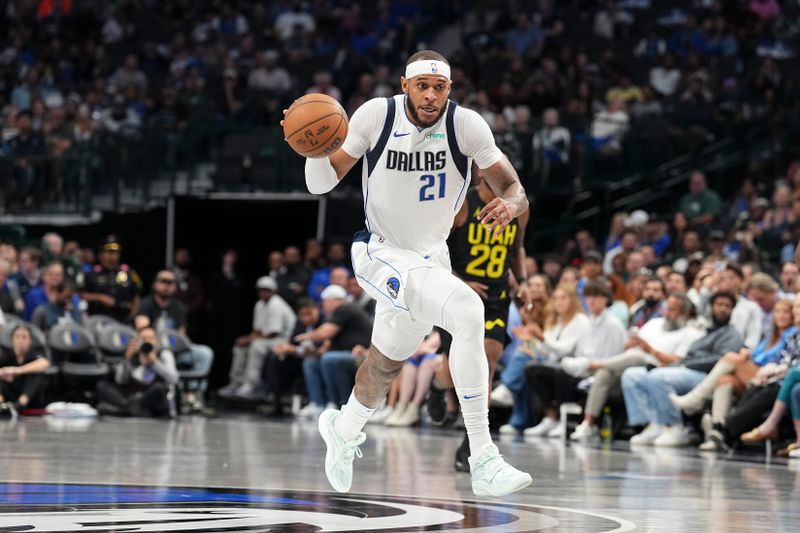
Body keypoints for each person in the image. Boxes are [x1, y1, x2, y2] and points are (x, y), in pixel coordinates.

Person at [285, 49, 531, 496]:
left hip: (431, 257)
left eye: (439, 87)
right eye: (423, 85)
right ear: (405, 86)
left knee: (384, 364)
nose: (431, 95)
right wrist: (312, 149)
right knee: (468, 309)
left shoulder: (467, 126)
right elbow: (320, 184)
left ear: (450, 90)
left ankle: (344, 427)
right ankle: (484, 459)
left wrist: (511, 205)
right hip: (381, 252)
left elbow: (514, 188)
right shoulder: (375, 116)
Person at [444, 162, 529, 470]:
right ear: (481, 173)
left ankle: (472, 439)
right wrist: (459, 280)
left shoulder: (518, 207)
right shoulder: (462, 204)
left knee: (488, 358)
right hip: (456, 292)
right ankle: (440, 392)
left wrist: (522, 282)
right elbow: (435, 248)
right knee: (447, 369)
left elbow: (517, 247)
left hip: (495, 294)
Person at [568, 292, 702, 441]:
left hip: (659, 366)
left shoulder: (691, 334)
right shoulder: (654, 323)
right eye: (666, 308)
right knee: (605, 374)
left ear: (685, 313)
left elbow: (678, 360)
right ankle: (589, 423)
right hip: (633, 365)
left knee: (635, 357)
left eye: (672, 310)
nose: (667, 313)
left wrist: (650, 350)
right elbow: (631, 345)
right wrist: (630, 343)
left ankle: (592, 365)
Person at [670, 298, 798, 450]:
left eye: (786, 312)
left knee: (731, 358)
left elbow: (775, 361)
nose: (781, 316)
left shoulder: (791, 334)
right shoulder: (770, 337)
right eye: (777, 312)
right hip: (760, 374)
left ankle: (695, 399)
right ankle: (716, 432)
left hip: (770, 376)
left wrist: (748, 358)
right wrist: (748, 354)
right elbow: (759, 355)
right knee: (725, 379)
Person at [622, 291, 744, 447]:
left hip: (705, 375)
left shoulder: (732, 334)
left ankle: (674, 427)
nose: (722, 309)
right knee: (633, 375)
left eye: (727, 306)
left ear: (732, 310)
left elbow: (719, 359)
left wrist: (685, 363)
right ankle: (654, 424)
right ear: (711, 307)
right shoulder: (707, 331)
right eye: (719, 305)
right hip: (685, 369)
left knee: (658, 377)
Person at [525, 280, 627, 437]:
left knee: (563, 372)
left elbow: (610, 359)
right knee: (533, 369)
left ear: (606, 299)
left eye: (596, 297)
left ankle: (563, 420)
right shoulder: (590, 322)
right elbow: (581, 352)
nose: (591, 301)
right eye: (588, 297)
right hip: (584, 366)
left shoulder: (612, 325)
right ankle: (550, 417)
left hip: (602, 371)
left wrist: (579, 364)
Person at [499, 284, 589, 434]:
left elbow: (564, 350)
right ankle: (549, 417)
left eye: (563, 298)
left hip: (573, 366)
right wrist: (532, 340)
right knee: (528, 365)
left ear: (573, 300)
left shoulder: (580, 321)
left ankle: (507, 389)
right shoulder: (556, 321)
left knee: (535, 365)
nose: (559, 302)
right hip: (554, 363)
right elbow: (548, 351)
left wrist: (541, 337)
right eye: (555, 299)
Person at [136, 269, 214, 411]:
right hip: (154, 350)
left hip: (174, 348)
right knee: (161, 352)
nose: (167, 286)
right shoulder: (146, 303)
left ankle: (191, 393)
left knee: (204, 353)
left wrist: (172, 344)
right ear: (155, 284)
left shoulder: (179, 307)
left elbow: (180, 335)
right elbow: (142, 328)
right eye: (163, 282)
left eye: (171, 283)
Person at [294, 285, 373, 411]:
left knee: (329, 359)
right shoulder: (338, 314)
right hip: (344, 353)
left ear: (331, 301)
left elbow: (325, 333)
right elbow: (328, 343)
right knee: (311, 361)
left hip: (361, 355)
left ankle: (337, 402)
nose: (323, 306)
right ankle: (318, 403)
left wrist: (304, 337)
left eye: (324, 302)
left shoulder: (344, 308)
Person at [219, 276, 296, 400]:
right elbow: (257, 330)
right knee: (240, 347)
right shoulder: (259, 304)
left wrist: (250, 340)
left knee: (256, 346)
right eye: (260, 289)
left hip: (283, 340)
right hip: (267, 338)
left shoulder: (276, 304)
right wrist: (247, 339)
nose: (263, 292)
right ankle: (236, 382)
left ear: (273, 290)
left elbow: (273, 332)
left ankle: (252, 384)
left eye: (266, 289)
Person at [262, 297, 325, 418]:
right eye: (302, 315)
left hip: (315, 358)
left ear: (316, 310)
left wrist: (294, 349)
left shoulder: (324, 321)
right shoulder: (299, 323)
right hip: (297, 360)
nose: (306, 318)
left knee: (308, 362)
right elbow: (293, 341)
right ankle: (276, 401)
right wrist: (284, 347)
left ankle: (316, 402)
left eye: (309, 313)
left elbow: (320, 347)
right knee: (274, 358)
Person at [95, 326, 178, 418]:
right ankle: (131, 408)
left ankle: (125, 410)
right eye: (143, 339)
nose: (147, 341)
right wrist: (127, 358)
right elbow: (120, 380)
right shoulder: (133, 354)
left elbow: (173, 379)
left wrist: (155, 363)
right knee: (103, 385)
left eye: (150, 338)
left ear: (156, 341)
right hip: (132, 396)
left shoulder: (164, 354)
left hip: (150, 397)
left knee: (159, 388)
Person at [80, 236, 142, 323]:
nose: (112, 256)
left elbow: (137, 297)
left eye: (115, 253)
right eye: (108, 253)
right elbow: (81, 295)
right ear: (100, 255)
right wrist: (99, 297)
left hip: (124, 319)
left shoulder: (128, 273)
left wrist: (132, 317)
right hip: (98, 320)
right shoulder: (92, 273)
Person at [0, 324, 50, 415]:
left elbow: (45, 363)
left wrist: (17, 370)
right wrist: (3, 372)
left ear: (30, 340)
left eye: (24, 337)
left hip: (30, 396)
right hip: (10, 393)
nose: (20, 340)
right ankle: (1, 404)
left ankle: (20, 404)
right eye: (17, 337)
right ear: (12, 339)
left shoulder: (34, 352)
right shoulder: (6, 353)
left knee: (37, 373)